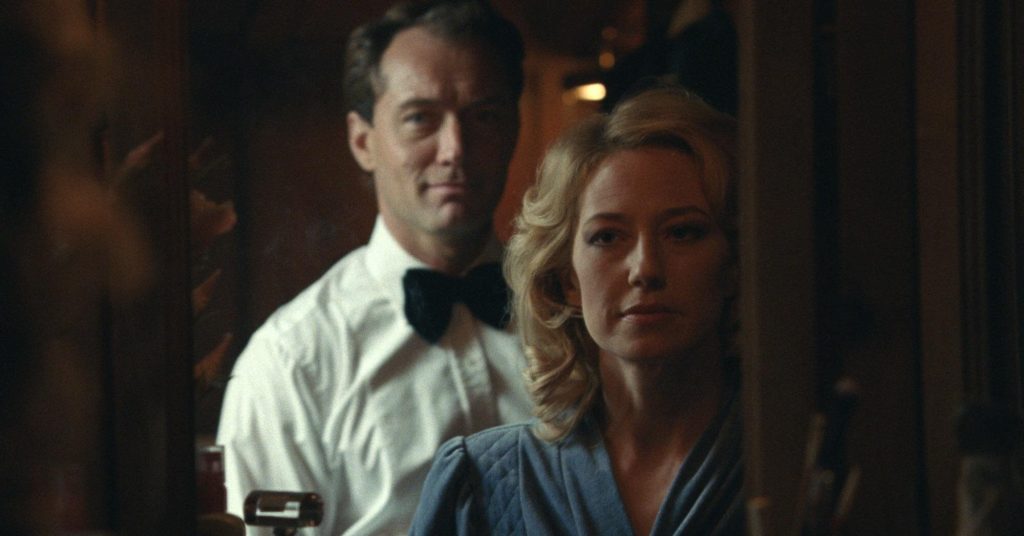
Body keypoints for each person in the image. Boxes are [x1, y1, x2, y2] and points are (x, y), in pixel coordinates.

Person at [215, 1, 533, 534]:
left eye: (483, 116)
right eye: (420, 119)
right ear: (363, 141)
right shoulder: (292, 361)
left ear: (513, 130)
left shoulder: (579, 321)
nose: (455, 149)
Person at [411, 86, 745, 535]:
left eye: (682, 232)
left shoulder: (793, 461)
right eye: (608, 237)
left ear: (733, 264)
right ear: (566, 278)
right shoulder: (482, 483)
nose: (645, 269)